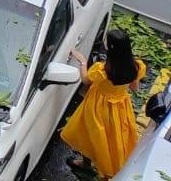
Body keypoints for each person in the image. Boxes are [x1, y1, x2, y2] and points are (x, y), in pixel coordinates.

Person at [60, 29, 145, 178]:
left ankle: (86, 163)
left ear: (111, 48)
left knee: (90, 135)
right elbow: (134, 87)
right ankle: (109, 168)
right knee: (113, 139)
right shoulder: (136, 66)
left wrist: (82, 62)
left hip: (97, 108)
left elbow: (86, 80)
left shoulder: (102, 69)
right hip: (120, 107)